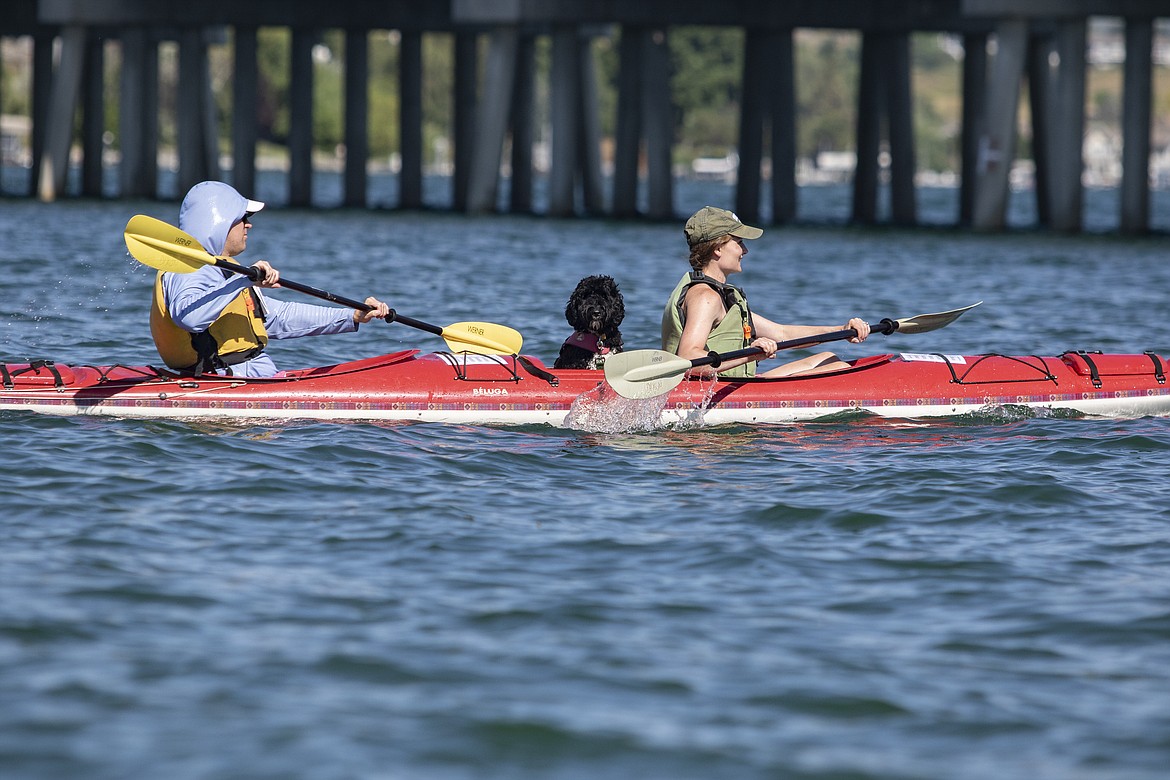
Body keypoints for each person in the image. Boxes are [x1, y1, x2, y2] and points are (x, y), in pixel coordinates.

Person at [150, 181, 390, 377]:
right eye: (243, 218)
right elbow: (189, 318)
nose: (249, 225)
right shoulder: (185, 268)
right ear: (219, 223)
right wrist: (243, 281)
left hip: (252, 376)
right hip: (220, 381)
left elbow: (276, 318)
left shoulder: (229, 269)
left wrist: (352, 315)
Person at [661, 205, 871, 378]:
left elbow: (781, 334)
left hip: (731, 385)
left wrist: (842, 330)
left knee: (827, 358)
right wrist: (750, 355)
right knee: (840, 370)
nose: (745, 251)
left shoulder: (722, 297)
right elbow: (690, 359)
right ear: (718, 248)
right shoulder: (705, 298)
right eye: (739, 243)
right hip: (706, 393)